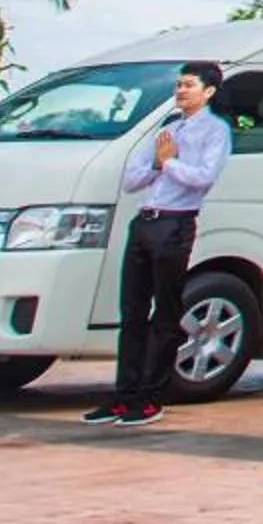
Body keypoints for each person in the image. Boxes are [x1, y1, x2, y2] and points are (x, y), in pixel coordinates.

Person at [92, 61, 232, 428]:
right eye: (179, 85)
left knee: (165, 314)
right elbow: (131, 179)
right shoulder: (167, 129)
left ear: (209, 92)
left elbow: (203, 178)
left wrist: (170, 165)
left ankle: (152, 396)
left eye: (189, 85)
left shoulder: (215, 132)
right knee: (132, 313)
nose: (181, 91)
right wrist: (159, 162)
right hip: (145, 221)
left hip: (176, 223)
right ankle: (124, 396)